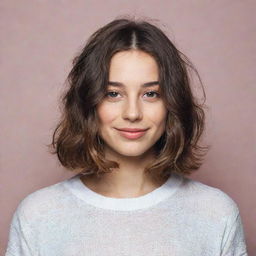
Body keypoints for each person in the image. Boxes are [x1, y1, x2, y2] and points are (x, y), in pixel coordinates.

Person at [5, 17, 248, 256]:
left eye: (151, 94)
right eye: (113, 94)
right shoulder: (38, 216)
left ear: (172, 103)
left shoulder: (216, 214)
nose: (132, 113)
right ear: (89, 102)